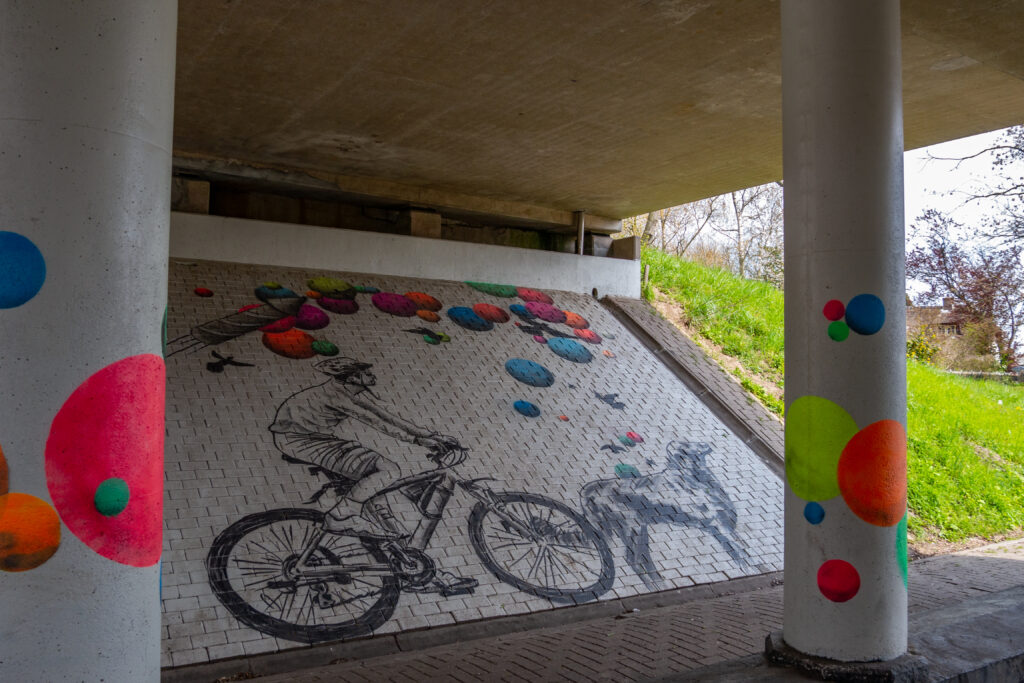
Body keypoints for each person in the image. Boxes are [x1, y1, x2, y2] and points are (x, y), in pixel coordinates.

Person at [269, 357, 476, 594]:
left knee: (377, 499)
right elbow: (376, 421)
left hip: (307, 437)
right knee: (387, 469)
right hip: (302, 440)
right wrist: (420, 440)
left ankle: (411, 566)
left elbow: (385, 415)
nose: (372, 375)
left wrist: (430, 436)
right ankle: (341, 515)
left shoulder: (347, 390)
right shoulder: (336, 395)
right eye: (366, 372)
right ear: (353, 377)